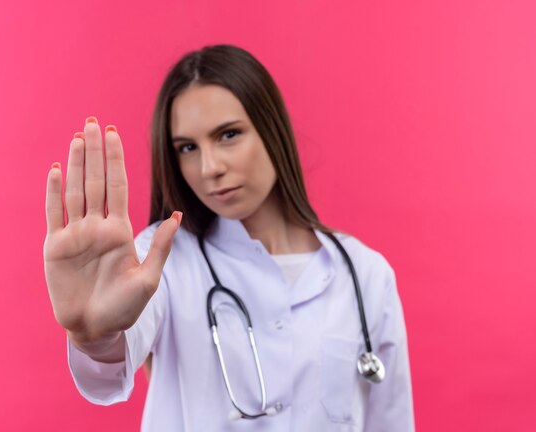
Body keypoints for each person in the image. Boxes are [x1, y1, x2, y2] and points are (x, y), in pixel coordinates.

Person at [43, 44, 415, 431]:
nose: (209, 168)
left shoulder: (365, 274)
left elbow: (392, 421)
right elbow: (107, 374)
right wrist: (93, 335)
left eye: (229, 135)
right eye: (187, 147)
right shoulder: (159, 260)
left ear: (272, 131)